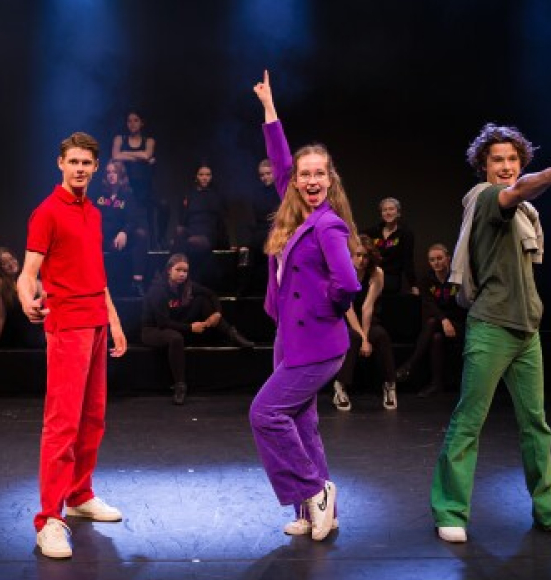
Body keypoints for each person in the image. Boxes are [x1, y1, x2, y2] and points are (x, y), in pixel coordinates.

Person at [430, 122, 551, 544]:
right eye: (497, 159)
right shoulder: (483, 198)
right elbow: (514, 192)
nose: (505, 166)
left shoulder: (527, 214)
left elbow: (522, 197)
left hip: (527, 328)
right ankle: (450, 510)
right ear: (483, 165)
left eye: (512, 159)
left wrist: (541, 181)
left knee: (537, 424)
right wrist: (550, 176)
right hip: (491, 326)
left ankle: (550, 509)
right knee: (468, 422)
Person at [249, 70, 362, 541]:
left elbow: (349, 284)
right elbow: (279, 162)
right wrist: (270, 110)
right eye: (304, 174)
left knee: (266, 414)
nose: (311, 180)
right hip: (288, 337)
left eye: (319, 173)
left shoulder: (328, 225)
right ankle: (315, 511)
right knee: (302, 421)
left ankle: (315, 490)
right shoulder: (297, 211)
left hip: (315, 342)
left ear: (330, 179)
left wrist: (321, 308)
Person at [17, 131, 128, 560]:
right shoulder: (46, 212)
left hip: (97, 322)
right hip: (66, 327)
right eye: (73, 162)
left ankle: (80, 494)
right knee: (62, 423)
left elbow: (97, 276)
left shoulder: (94, 213)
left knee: (93, 418)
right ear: (60, 164)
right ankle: (49, 518)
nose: (80, 169)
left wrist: (114, 321)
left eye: (87, 163)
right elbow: (28, 272)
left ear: (95, 167)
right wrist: (28, 298)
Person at [141, 253, 255, 405]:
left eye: (185, 271)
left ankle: (232, 334)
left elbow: (212, 295)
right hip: (153, 330)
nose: (182, 274)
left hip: (176, 324)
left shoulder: (187, 285)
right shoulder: (158, 290)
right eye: (178, 270)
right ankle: (180, 386)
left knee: (203, 301)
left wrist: (217, 313)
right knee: (175, 338)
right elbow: (163, 322)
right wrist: (190, 327)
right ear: (169, 270)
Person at [331, 234, 399, 411]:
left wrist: (366, 338)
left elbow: (367, 307)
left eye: (365, 256)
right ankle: (340, 386)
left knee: (381, 335)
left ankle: (390, 385)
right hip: (343, 320)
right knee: (352, 337)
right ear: (350, 255)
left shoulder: (377, 273)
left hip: (368, 319)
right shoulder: (342, 272)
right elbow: (349, 309)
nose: (361, 260)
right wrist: (362, 338)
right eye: (357, 255)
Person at [395, 243, 467, 396]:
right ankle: (436, 384)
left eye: (440, 258)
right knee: (435, 337)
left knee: (433, 322)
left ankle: (410, 365)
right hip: (441, 324)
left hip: (459, 325)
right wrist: (444, 320)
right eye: (432, 260)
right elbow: (429, 304)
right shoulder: (426, 280)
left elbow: (463, 306)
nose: (437, 262)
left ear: (448, 259)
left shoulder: (458, 278)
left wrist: (446, 321)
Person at [93, 159, 149, 296]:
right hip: (101, 238)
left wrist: (124, 232)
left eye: (115, 172)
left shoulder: (128, 195)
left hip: (119, 240)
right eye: (108, 172)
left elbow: (132, 219)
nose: (111, 175)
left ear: (121, 175)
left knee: (140, 234)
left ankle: (137, 282)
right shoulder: (100, 195)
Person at [171, 163, 231, 287]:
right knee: (179, 231)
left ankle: (183, 275)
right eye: (201, 175)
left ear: (212, 177)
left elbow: (222, 222)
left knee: (192, 241)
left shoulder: (217, 196)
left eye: (208, 175)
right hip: (192, 229)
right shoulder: (189, 195)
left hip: (209, 233)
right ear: (196, 176)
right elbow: (182, 219)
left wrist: (226, 243)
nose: (204, 178)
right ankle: (173, 272)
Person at [0, 247, 44, 350]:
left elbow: (49, 300)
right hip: (19, 336)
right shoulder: (0, 284)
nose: (11, 264)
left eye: (11, 259)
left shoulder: (29, 279)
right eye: (4, 263)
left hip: (38, 333)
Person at [112, 111, 164, 248]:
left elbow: (147, 154)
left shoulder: (149, 140)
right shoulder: (120, 139)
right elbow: (115, 156)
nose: (132, 124)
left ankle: (158, 241)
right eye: (129, 121)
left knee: (163, 206)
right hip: (126, 187)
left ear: (142, 123)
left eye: (136, 120)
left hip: (145, 186)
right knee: (133, 216)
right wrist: (142, 157)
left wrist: (125, 153)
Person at [236, 159, 281, 297]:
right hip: (261, 230)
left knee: (269, 244)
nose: (265, 177)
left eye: (268, 174)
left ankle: (273, 289)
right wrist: (245, 243)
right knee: (246, 250)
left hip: (278, 230)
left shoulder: (281, 190)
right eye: (262, 175)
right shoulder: (257, 193)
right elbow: (252, 219)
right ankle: (245, 288)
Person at [361, 197, 418, 295]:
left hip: (392, 278)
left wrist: (413, 285)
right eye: (384, 210)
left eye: (391, 209)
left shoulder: (405, 234)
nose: (388, 212)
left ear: (398, 213)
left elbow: (408, 261)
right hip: (372, 275)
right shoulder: (372, 232)